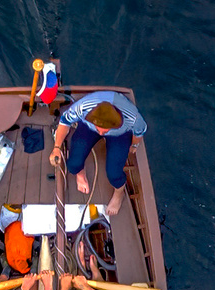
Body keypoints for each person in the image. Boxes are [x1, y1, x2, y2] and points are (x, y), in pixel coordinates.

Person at [46, 91, 147, 219]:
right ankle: (81, 175)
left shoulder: (133, 118)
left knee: (114, 174)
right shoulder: (82, 107)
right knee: (73, 164)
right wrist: (56, 148)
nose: (101, 133)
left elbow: (139, 133)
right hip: (88, 128)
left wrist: (134, 146)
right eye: (99, 128)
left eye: (104, 131)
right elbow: (64, 122)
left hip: (119, 134)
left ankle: (119, 193)